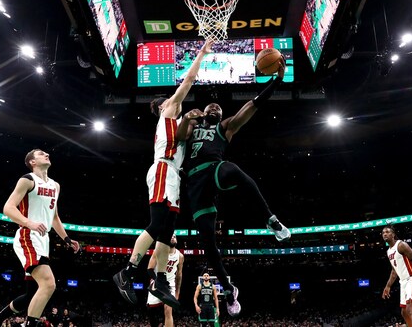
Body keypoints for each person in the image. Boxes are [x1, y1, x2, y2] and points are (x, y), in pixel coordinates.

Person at [175, 58, 291, 316]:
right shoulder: (192, 128)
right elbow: (179, 135)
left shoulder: (225, 127)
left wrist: (276, 81)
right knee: (209, 246)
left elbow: (252, 105)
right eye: (210, 105)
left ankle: (270, 220)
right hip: (194, 185)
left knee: (234, 170)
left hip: (214, 170)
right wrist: (187, 116)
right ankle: (228, 288)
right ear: (204, 111)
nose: (215, 107)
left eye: (218, 106)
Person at [114, 40, 213, 309]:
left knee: (167, 233)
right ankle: (127, 271)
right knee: (157, 224)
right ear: (163, 106)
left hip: (174, 176)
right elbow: (189, 80)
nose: (175, 101)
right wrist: (201, 55)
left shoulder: (178, 125)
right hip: (162, 169)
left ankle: (158, 280)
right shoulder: (167, 112)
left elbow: (190, 135)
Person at [0, 149, 81, 327]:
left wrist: (67, 239)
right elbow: (8, 208)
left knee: (32, 294)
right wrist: (29, 223)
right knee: (49, 284)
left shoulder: (55, 186)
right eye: (41, 154)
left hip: (43, 241)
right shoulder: (27, 179)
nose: (47, 154)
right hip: (28, 236)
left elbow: (54, 217)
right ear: (32, 162)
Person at [381, 225, 412, 327]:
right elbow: (394, 271)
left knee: (410, 309)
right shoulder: (389, 251)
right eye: (383, 233)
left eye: (387, 232)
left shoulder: (401, 245)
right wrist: (388, 286)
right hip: (403, 281)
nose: (385, 234)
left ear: (393, 234)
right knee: (404, 312)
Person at [146, 235, 184, 327]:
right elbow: (149, 269)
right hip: (156, 281)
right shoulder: (158, 250)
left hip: (170, 283)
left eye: (175, 236)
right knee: (151, 311)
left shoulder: (180, 256)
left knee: (168, 309)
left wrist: (177, 291)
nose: (173, 237)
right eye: (171, 236)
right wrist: (158, 282)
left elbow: (179, 275)